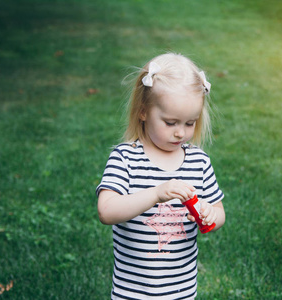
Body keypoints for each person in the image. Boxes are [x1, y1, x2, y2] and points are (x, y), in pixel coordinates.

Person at [96, 53, 225, 300]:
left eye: (190, 123)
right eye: (170, 122)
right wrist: (155, 194)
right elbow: (106, 211)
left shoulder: (199, 162)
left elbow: (219, 213)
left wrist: (211, 214)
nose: (180, 133)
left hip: (181, 292)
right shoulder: (126, 159)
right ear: (143, 112)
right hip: (132, 293)